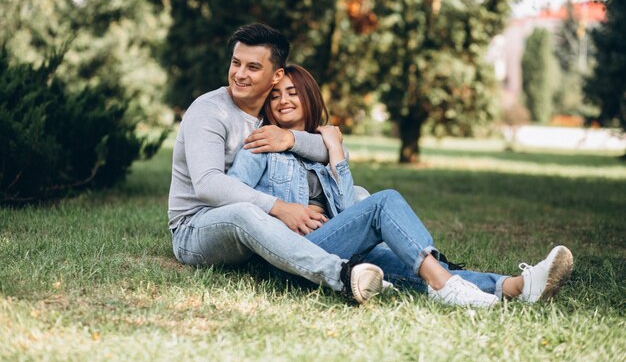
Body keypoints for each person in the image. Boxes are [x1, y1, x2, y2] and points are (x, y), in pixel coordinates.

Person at [228, 64, 574, 307]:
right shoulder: (262, 142)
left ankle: (516, 287)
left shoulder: (325, 148)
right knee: (384, 202)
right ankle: (446, 286)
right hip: (296, 254)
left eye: (292, 92)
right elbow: (236, 201)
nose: (283, 100)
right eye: (275, 96)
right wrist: (279, 212)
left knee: (414, 265)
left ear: (309, 97)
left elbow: (349, 210)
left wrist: (334, 151)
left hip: (342, 247)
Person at [168, 23, 385, 304]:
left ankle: (399, 268)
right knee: (245, 213)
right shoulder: (210, 111)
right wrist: (282, 209)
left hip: (253, 223)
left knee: (359, 194)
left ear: (276, 75)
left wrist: (291, 139)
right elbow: (208, 186)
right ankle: (342, 275)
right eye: (236, 63)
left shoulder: (272, 116)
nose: (240, 75)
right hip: (196, 228)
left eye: (253, 67)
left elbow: (333, 150)